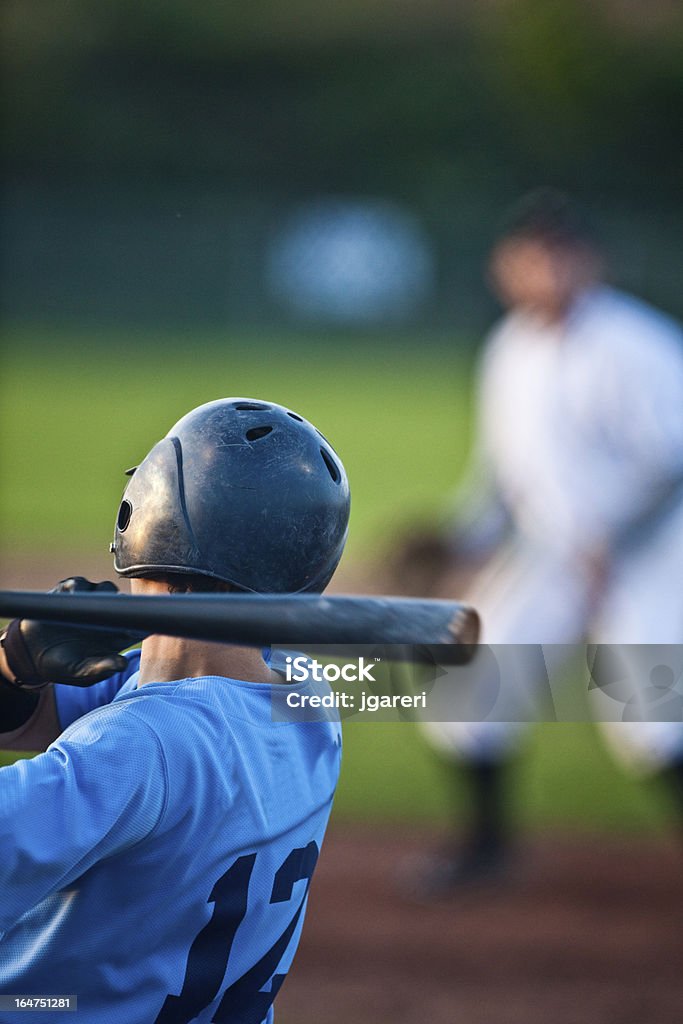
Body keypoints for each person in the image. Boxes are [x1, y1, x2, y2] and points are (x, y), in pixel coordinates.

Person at [0, 397, 350, 1022]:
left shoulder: (136, 750)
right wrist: (13, 669)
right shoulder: (305, 699)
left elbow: (133, 747)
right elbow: (31, 718)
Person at [409, 189, 683, 898]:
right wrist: (464, 540)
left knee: (651, 720)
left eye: (560, 254)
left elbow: (673, 462)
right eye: (530, 256)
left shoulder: (636, 345)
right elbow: (505, 473)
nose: (545, 269)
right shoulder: (508, 347)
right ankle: (487, 849)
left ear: (590, 263)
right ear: (505, 267)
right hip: (554, 552)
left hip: (655, 552)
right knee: (467, 692)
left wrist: (612, 539)